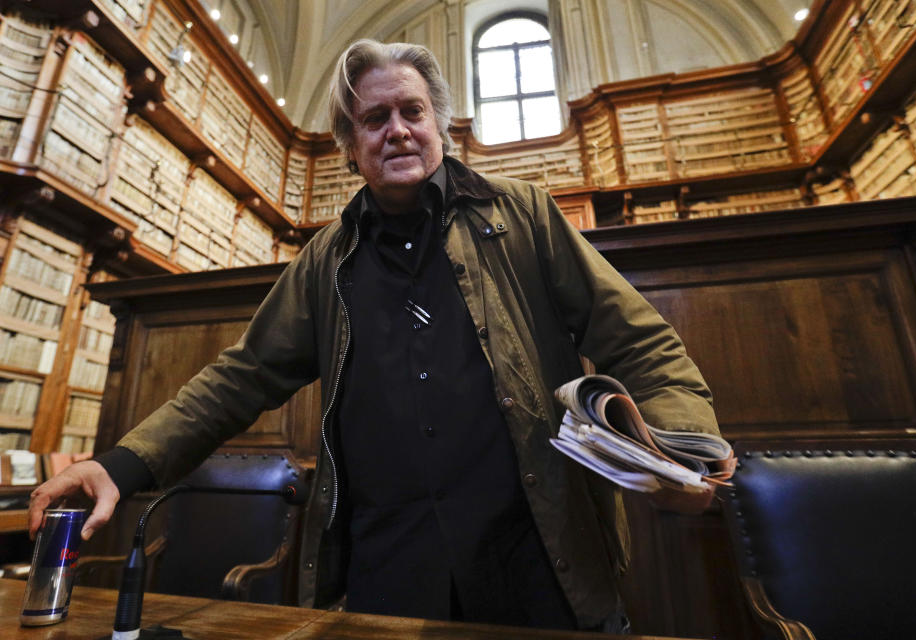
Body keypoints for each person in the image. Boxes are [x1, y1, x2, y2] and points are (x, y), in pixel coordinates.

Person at [29, 39, 719, 632]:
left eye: (412, 112)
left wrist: (684, 450)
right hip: (390, 570)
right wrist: (120, 465)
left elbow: (640, 340)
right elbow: (239, 378)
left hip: (540, 561)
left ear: (441, 125)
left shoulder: (521, 217)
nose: (397, 130)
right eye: (374, 118)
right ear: (350, 148)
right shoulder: (326, 261)